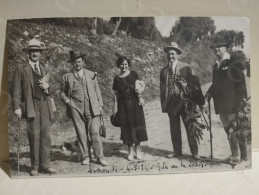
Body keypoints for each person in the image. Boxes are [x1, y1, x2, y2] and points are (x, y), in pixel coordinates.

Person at [11, 38, 57, 176]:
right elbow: (15, 90)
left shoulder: (44, 68)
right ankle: (35, 166)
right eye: (33, 51)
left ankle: (45, 165)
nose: (35, 53)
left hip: (45, 104)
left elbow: (55, 86)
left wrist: (48, 86)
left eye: (37, 51)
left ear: (40, 53)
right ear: (29, 52)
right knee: (34, 136)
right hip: (30, 106)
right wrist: (17, 107)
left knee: (46, 136)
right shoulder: (21, 68)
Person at [60, 50, 107, 166]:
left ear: (83, 62)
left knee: (95, 133)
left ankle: (100, 157)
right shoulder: (67, 77)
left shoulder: (91, 74)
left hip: (92, 107)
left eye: (79, 62)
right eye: (75, 62)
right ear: (72, 63)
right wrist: (67, 101)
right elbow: (61, 92)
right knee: (81, 133)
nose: (77, 64)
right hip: (76, 108)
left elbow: (97, 90)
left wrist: (100, 105)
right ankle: (86, 156)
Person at [205, 37, 248, 164]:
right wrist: (209, 92)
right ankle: (235, 155)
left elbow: (241, 83)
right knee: (228, 130)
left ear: (225, 47)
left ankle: (244, 158)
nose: (216, 49)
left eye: (219, 46)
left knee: (237, 130)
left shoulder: (233, 62)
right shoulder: (216, 65)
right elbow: (215, 83)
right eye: (214, 47)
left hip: (233, 103)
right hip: (221, 105)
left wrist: (242, 102)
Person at [160, 42, 203, 160]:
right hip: (171, 103)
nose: (170, 56)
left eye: (173, 54)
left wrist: (195, 100)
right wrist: (164, 105)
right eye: (168, 54)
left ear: (177, 54)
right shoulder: (163, 71)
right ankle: (177, 151)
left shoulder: (186, 67)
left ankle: (195, 152)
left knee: (190, 126)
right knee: (174, 128)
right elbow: (162, 89)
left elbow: (195, 84)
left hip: (185, 103)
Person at [112, 56, 148, 161]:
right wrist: (115, 108)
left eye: (126, 64)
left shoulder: (134, 74)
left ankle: (138, 149)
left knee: (137, 125)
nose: (124, 66)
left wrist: (140, 94)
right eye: (122, 64)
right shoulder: (117, 79)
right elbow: (115, 95)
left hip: (135, 104)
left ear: (128, 64)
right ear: (119, 65)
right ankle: (130, 150)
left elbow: (142, 84)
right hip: (123, 106)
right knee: (127, 128)